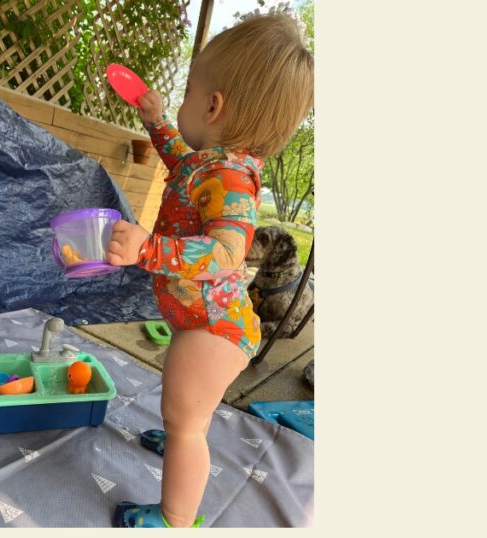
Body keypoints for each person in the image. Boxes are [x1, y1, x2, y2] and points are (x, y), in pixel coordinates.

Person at [106, 13, 314, 528]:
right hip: (202, 320)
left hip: (213, 328)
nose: (182, 101)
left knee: (184, 420)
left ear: (213, 105)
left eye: (188, 91)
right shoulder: (210, 163)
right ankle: (183, 438)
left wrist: (150, 250)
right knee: (185, 413)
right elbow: (179, 161)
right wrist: (156, 119)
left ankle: (176, 517)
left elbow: (228, 252)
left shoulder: (231, 179)